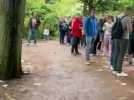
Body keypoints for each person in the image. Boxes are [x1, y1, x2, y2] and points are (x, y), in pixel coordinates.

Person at [112, 7, 133, 77]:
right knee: (121, 54)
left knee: (117, 53)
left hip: (116, 37)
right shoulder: (128, 18)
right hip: (124, 38)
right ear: (129, 11)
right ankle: (119, 71)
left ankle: (115, 69)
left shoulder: (119, 16)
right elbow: (130, 30)